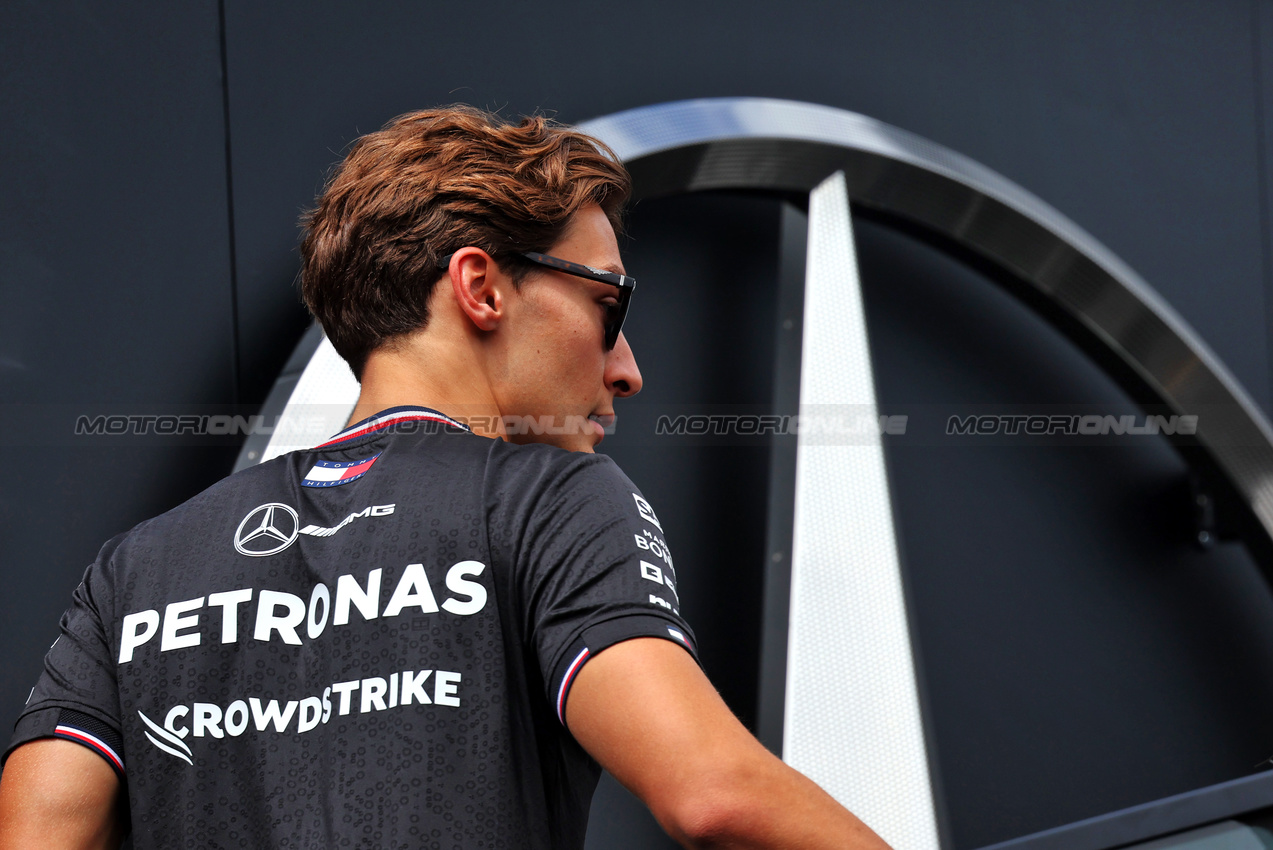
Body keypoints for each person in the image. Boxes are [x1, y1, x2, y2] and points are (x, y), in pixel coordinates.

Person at [0, 105, 891, 849]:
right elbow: (713, 793)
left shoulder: (134, 570)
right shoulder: (552, 502)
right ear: (482, 287)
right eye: (608, 303)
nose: (626, 368)